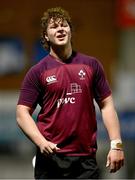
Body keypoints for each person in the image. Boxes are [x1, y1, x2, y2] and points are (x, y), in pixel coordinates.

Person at [16, 7, 124, 179]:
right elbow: (22, 113)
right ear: (45, 36)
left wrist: (116, 145)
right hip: (51, 158)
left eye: (64, 25)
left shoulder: (91, 65)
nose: (60, 29)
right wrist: (41, 142)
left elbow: (107, 105)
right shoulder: (37, 72)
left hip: (85, 159)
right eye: (54, 27)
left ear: (70, 31)